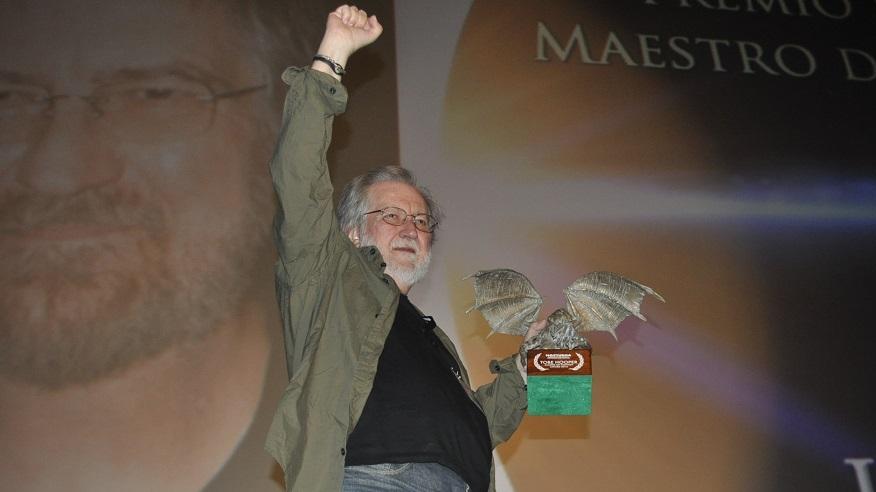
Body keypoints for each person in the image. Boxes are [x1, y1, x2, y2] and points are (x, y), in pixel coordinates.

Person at [0, 1, 388, 490]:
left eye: (154, 95)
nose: (56, 172)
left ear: (270, 126)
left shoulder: (358, 407)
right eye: (9, 98)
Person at [265, 6, 542, 491]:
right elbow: (298, 174)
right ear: (353, 232)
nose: (411, 228)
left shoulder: (431, 337)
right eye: (391, 215)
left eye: (420, 220)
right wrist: (333, 55)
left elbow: (475, 428)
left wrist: (527, 365)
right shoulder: (325, 278)